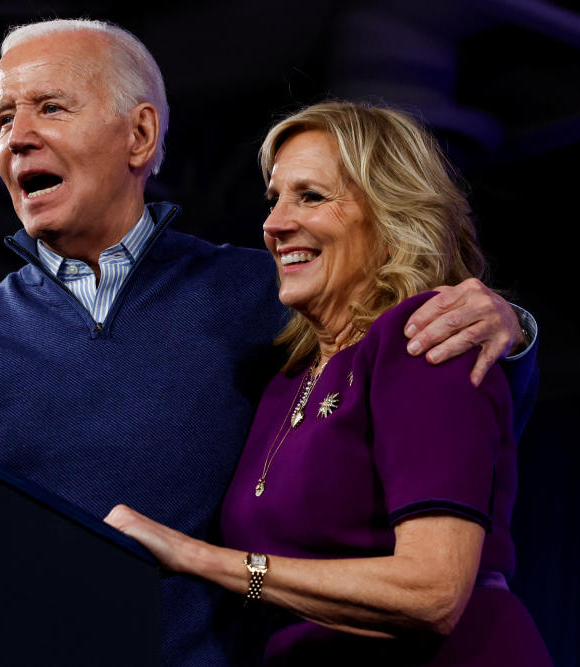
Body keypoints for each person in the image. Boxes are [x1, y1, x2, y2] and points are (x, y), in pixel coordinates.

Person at [0, 20, 538, 666]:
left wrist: (509, 332)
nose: (19, 137)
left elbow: (449, 418)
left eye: (50, 107)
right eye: (3, 118)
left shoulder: (267, 294)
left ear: (139, 134)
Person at [106, 101, 551, 665]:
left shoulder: (425, 340)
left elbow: (434, 593)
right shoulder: (284, 379)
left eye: (311, 196)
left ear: (392, 214)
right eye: (275, 199)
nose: (273, 225)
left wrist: (195, 557)